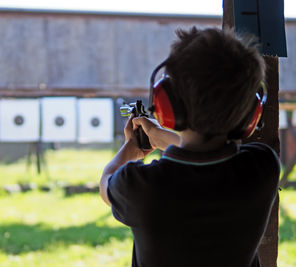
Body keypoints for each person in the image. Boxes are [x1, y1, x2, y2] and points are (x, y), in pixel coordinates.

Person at [99, 27, 280, 267]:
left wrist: (131, 148)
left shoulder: (140, 186)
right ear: (251, 114)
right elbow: (210, 157)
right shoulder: (261, 167)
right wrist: (162, 137)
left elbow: (106, 183)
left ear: (167, 103)